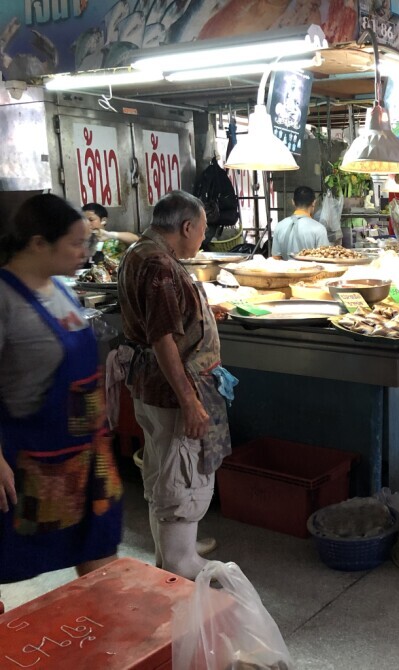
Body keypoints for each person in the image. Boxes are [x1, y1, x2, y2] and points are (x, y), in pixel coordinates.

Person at [0, 194, 123, 586]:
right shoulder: (5, 298)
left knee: (99, 551)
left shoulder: (60, 287)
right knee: (18, 555)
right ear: (38, 243)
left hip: (89, 456)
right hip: (37, 459)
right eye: (74, 242)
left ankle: (105, 635)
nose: (84, 250)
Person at [118, 191, 233, 580]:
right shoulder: (161, 266)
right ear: (186, 227)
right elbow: (162, 338)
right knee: (179, 485)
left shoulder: (139, 251)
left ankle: (169, 558)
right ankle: (181, 573)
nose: (202, 239)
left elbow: (161, 320)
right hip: (171, 396)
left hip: (149, 391)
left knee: (162, 483)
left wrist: (199, 312)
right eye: (201, 231)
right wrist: (190, 402)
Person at [272, 186, 329, 258]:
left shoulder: (280, 226)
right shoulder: (319, 229)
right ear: (314, 202)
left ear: (293, 202)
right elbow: (325, 258)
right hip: (311, 269)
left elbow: (276, 257)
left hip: (286, 269)